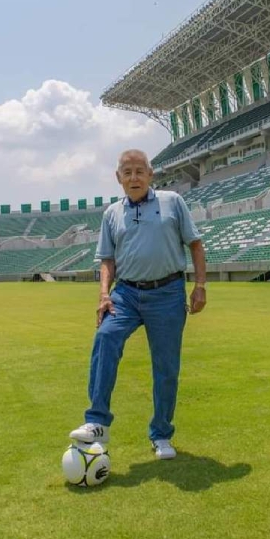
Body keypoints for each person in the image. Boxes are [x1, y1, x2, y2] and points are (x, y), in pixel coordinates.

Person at [69, 149, 207, 460]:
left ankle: (161, 434)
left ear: (150, 175)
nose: (134, 177)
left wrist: (199, 286)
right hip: (126, 294)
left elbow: (195, 245)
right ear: (118, 178)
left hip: (168, 293)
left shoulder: (173, 202)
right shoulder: (111, 213)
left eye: (139, 171)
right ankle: (97, 423)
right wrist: (104, 294)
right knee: (105, 337)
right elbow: (107, 260)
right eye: (127, 172)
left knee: (166, 367)